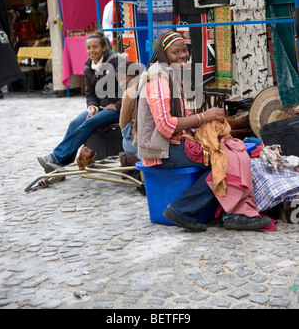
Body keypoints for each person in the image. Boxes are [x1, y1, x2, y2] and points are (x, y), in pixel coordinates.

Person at [135, 31, 271, 232]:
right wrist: (203, 117)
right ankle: (220, 213)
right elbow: (165, 125)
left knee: (229, 151)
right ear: (163, 54)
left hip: (168, 145)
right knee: (223, 159)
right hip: (160, 152)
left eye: (184, 51)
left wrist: (204, 122)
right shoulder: (157, 78)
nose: (182, 56)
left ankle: (202, 210)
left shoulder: (168, 73)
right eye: (176, 52)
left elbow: (179, 113)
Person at [37, 31, 122, 173]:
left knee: (90, 122)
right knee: (74, 123)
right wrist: (92, 108)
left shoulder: (116, 63)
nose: (91, 51)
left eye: (95, 47)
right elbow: (90, 94)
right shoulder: (88, 68)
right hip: (100, 108)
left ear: (104, 48)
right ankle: (60, 165)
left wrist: (117, 105)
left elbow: (129, 90)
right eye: (89, 48)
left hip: (117, 110)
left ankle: (55, 157)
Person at [116, 61, 143, 167]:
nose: (121, 84)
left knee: (126, 140)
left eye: (123, 79)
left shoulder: (129, 93)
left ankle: (132, 159)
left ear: (135, 75)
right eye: (119, 81)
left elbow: (123, 125)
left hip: (139, 142)